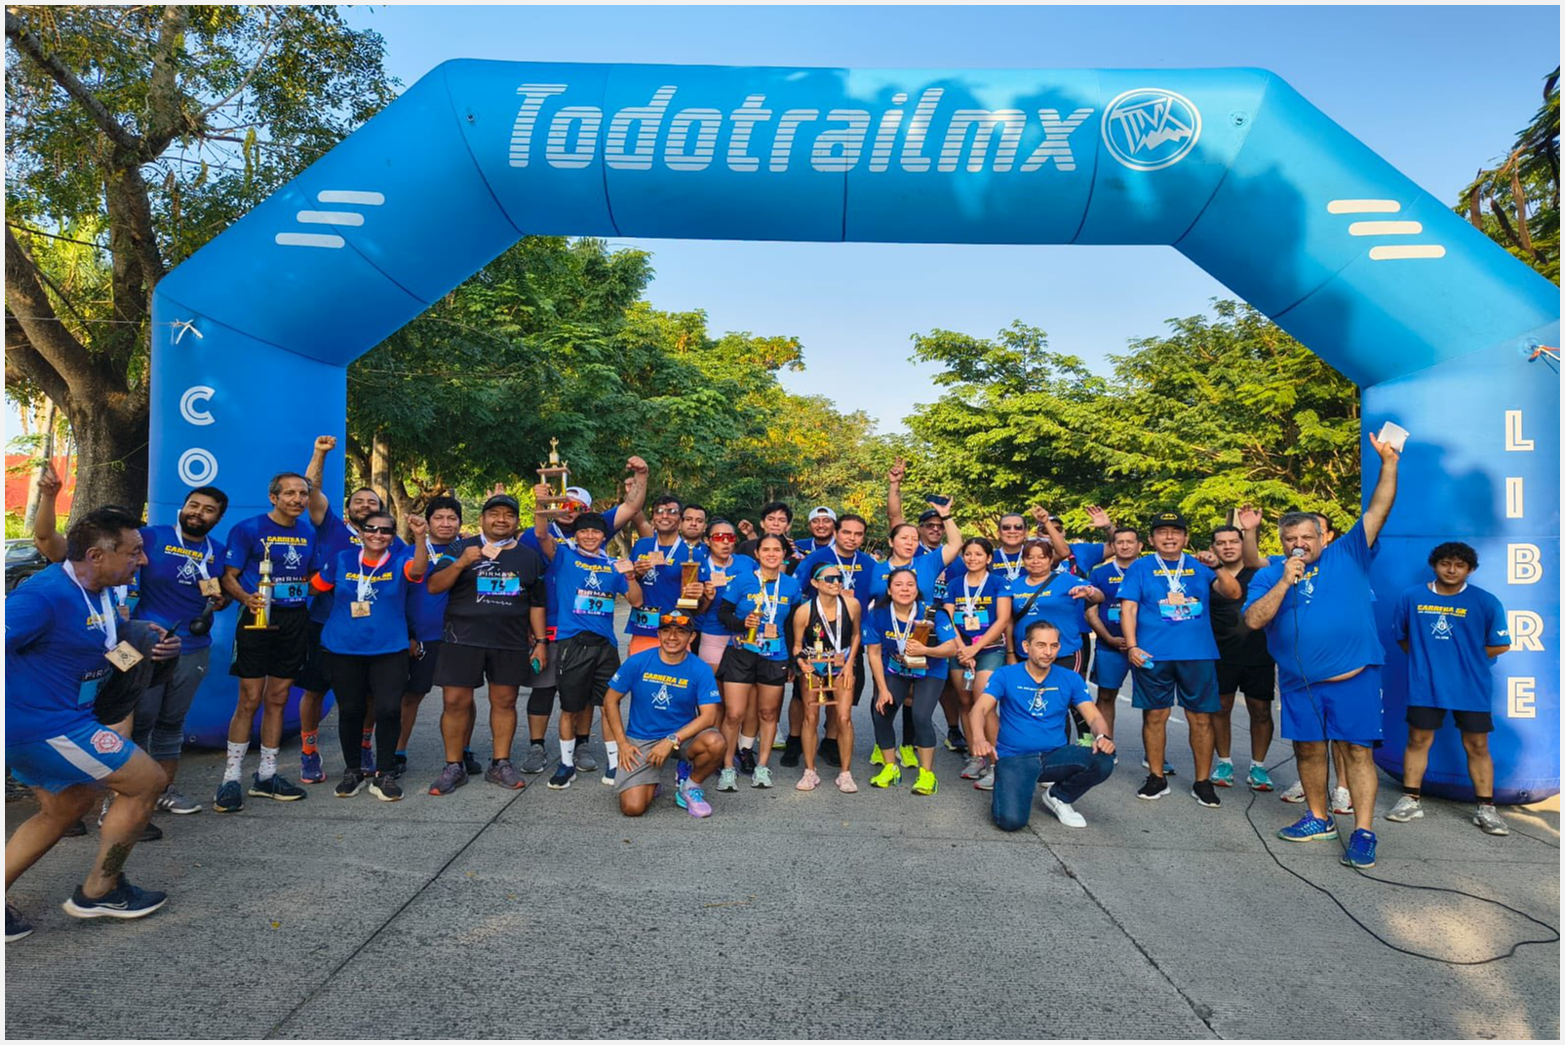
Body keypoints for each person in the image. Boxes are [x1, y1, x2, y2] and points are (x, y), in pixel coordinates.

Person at [6, 508, 177, 939]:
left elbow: (102, 646)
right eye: (134, 552)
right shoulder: (42, 596)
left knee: (67, 806)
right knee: (147, 781)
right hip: (43, 726)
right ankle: (102, 888)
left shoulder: (101, 591)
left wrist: (146, 644)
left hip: (64, 719)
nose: (143, 560)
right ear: (97, 555)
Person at [1244, 433, 1401, 869]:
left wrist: (1389, 463)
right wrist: (1284, 581)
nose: (1300, 543)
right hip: (1300, 684)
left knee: (1357, 752)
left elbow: (1378, 509)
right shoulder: (1270, 574)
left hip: (1354, 676)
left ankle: (1363, 831)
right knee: (1308, 751)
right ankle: (1318, 817)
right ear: (1281, 542)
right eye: (1290, 537)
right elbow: (1254, 620)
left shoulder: (1348, 554)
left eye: (1307, 536)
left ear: (1324, 537)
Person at [517, 457, 648, 776]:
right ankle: (543, 750)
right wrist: (540, 504)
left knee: (594, 698)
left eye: (575, 506)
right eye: (562, 503)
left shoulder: (608, 559)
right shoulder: (561, 551)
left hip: (601, 640)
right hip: (555, 631)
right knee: (549, 691)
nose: (568, 509)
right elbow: (542, 535)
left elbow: (631, 508)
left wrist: (642, 475)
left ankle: (588, 748)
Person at [423, 493, 549, 795]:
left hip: (509, 640)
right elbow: (433, 586)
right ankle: (454, 765)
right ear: (482, 519)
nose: (501, 519)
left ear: (517, 521)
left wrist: (541, 642)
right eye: (494, 514)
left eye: (509, 514)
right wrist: (461, 563)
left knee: (505, 701)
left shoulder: (529, 557)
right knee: (455, 702)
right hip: (462, 638)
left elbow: (536, 603)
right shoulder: (459, 547)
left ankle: (500, 763)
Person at [1387, 542, 1512, 835]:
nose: (1452, 570)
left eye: (1459, 565)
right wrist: (1428, 660)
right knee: (1418, 739)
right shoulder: (1412, 597)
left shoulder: (1486, 601)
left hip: (1471, 686)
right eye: (1445, 563)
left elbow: (1501, 643)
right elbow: (1402, 638)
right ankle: (1410, 800)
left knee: (1477, 745)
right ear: (1435, 565)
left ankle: (1486, 808)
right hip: (1425, 685)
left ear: (1470, 569)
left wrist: (1463, 659)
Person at [125, 485, 232, 825]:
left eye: (208, 509)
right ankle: (125, 797)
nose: (198, 513)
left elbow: (217, 596)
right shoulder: (151, 537)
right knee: (139, 722)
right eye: (193, 505)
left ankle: (162, 791)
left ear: (218, 518)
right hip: (149, 646)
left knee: (172, 723)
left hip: (193, 648)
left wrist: (219, 601)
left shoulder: (217, 552)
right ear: (183, 507)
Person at [299, 435, 403, 783]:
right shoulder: (332, 526)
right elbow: (311, 490)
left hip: (374, 634)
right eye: (358, 501)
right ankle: (309, 752)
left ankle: (364, 747)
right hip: (326, 624)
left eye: (372, 501)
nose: (365, 505)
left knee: (370, 697)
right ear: (348, 509)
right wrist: (320, 454)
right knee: (315, 690)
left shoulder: (389, 539)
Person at [1120, 512, 1241, 808]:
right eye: (1162, 532)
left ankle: (1202, 781)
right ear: (1152, 539)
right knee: (1154, 716)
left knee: (1200, 718)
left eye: (1176, 532)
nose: (1169, 537)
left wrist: (1218, 566)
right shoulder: (1140, 567)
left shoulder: (1201, 565)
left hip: (1197, 653)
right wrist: (1132, 646)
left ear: (1186, 538)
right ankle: (1156, 777)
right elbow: (1129, 608)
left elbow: (1233, 592)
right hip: (1152, 654)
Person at [309, 511, 430, 801]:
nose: (378, 534)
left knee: (388, 709)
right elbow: (316, 587)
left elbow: (417, 572)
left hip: (389, 649)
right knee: (351, 710)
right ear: (361, 532)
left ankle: (384, 773)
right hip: (344, 648)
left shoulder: (399, 560)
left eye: (385, 530)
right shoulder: (342, 559)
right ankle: (353, 771)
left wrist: (420, 537)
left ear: (392, 536)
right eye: (371, 528)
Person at [217, 472, 319, 812]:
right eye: (290, 493)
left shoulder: (308, 532)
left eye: (303, 494)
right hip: (257, 618)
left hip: (294, 618)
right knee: (249, 698)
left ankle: (267, 775)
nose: (298, 499)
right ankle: (231, 778)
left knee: (278, 697)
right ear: (273, 497)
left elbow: (310, 576)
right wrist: (247, 598)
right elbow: (229, 576)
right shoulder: (248, 529)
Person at [533, 511, 643, 790]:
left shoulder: (612, 565)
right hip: (572, 643)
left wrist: (630, 576)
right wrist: (541, 508)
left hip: (606, 646)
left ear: (604, 536)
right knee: (570, 708)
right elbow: (542, 535)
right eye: (584, 531)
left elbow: (636, 601)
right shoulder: (564, 556)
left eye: (595, 532)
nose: (590, 536)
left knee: (609, 705)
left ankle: (614, 764)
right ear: (576, 534)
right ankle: (566, 765)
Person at [970, 622, 1117, 831]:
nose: (1048, 652)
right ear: (1026, 646)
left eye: (1053, 646)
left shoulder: (1070, 678)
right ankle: (1016, 785)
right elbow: (979, 709)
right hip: (1015, 758)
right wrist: (979, 739)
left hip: (1054, 756)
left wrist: (1102, 736)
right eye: (1041, 645)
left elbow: (1093, 717)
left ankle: (1059, 796)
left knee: (1103, 759)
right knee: (1010, 822)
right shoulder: (1005, 675)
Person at [994, 540, 1103, 790]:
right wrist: (1011, 653)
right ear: (1023, 560)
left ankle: (1059, 760)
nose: (1035, 562)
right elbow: (1008, 621)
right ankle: (1030, 756)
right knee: (1027, 703)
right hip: (1026, 654)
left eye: (1041, 557)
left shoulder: (1066, 580)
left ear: (1050, 559)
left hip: (1063, 653)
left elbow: (1098, 595)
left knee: (1059, 703)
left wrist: (1089, 592)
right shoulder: (1014, 585)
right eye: (1029, 557)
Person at [601, 613, 725, 818]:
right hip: (642, 738)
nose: (672, 637)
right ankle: (651, 781)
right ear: (658, 634)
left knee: (715, 742)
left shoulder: (700, 668)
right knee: (633, 808)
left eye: (681, 632)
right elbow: (610, 701)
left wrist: (671, 740)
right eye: (666, 631)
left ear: (692, 637)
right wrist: (622, 743)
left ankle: (690, 787)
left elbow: (709, 716)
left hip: (681, 736)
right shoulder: (638, 661)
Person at [784, 512, 876, 768]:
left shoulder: (868, 563)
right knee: (802, 697)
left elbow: (880, 595)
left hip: (847, 643)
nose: (852, 538)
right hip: (815, 639)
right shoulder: (816, 558)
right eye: (846, 532)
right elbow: (796, 592)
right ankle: (795, 740)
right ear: (836, 533)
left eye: (858, 534)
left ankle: (831, 741)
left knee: (841, 694)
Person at [714, 534, 802, 791]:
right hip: (741, 652)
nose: (771, 554)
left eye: (777, 550)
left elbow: (792, 624)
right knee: (734, 714)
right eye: (766, 549)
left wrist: (793, 660)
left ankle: (762, 767)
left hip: (775, 655)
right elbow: (723, 614)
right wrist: (742, 623)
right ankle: (728, 768)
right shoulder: (742, 580)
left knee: (768, 713)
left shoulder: (791, 585)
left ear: (784, 554)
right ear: (757, 553)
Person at [863, 567, 961, 794]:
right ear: (889, 590)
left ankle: (927, 775)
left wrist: (926, 650)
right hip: (896, 668)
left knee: (920, 715)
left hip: (930, 669)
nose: (904, 589)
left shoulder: (933, 612)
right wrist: (882, 689)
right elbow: (874, 654)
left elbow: (951, 648)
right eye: (898, 585)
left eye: (910, 585)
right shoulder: (878, 614)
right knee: (881, 711)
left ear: (917, 590)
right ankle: (890, 768)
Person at [1203, 511, 1277, 792]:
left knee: (1261, 711)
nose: (1228, 547)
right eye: (1221, 543)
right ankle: (1224, 763)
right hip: (1221, 654)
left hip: (1259, 654)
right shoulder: (1208, 575)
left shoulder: (1262, 570)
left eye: (1233, 541)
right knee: (1221, 710)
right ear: (1213, 548)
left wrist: (1250, 530)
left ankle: (1258, 767)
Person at [393, 495, 464, 777]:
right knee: (411, 696)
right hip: (421, 636)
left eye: (452, 518)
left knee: (461, 699)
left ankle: (463, 751)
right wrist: (407, 635)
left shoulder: (470, 552)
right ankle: (397, 752)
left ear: (460, 522)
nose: (446, 524)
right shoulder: (409, 553)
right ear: (429, 521)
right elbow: (396, 598)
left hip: (459, 637)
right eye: (439, 518)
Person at [944, 538, 1013, 782]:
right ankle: (976, 756)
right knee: (964, 702)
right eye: (968, 554)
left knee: (984, 703)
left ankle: (995, 762)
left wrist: (976, 648)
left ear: (989, 558)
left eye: (978, 554)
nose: (972, 558)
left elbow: (1003, 620)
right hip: (960, 650)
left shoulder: (998, 583)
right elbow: (948, 619)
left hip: (989, 650)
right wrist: (963, 649)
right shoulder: (954, 584)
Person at [790, 562, 863, 792]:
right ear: (815, 583)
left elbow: (856, 635)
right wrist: (801, 663)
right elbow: (797, 645)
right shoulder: (804, 611)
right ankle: (810, 771)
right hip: (814, 665)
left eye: (839, 578)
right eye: (829, 579)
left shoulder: (852, 604)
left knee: (844, 717)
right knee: (810, 717)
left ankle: (845, 773)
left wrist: (850, 665)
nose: (836, 583)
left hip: (842, 664)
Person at [627, 494, 707, 657]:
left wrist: (702, 595)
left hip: (676, 631)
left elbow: (700, 604)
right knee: (639, 672)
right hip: (643, 629)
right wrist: (635, 574)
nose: (665, 515)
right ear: (653, 518)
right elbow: (628, 586)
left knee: (674, 673)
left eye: (672, 511)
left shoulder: (693, 554)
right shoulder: (641, 546)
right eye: (659, 511)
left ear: (681, 520)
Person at [1084, 527, 1142, 741]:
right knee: (1106, 696)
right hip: (1110, 646)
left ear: (1140, 546)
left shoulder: (1149, 570)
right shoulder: (1100, 574)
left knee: (1152, 703)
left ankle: (1154, 754)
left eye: (1130, 541)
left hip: (1145, 646)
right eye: (1120, 542)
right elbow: (1090, 612)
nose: (1125, 546)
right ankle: (1104, 744)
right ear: (1113, 546)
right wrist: (1109, 638)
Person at [694, 520, 755, 671]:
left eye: (730, 537)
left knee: (740, 685)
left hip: (745, 634)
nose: (726, 542)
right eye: (719, 537)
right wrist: (707, 599)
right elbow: (696, 611)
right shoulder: (699, 566)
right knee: (713, 684)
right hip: (714, 634)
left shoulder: (747, 563)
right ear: (707, 540)